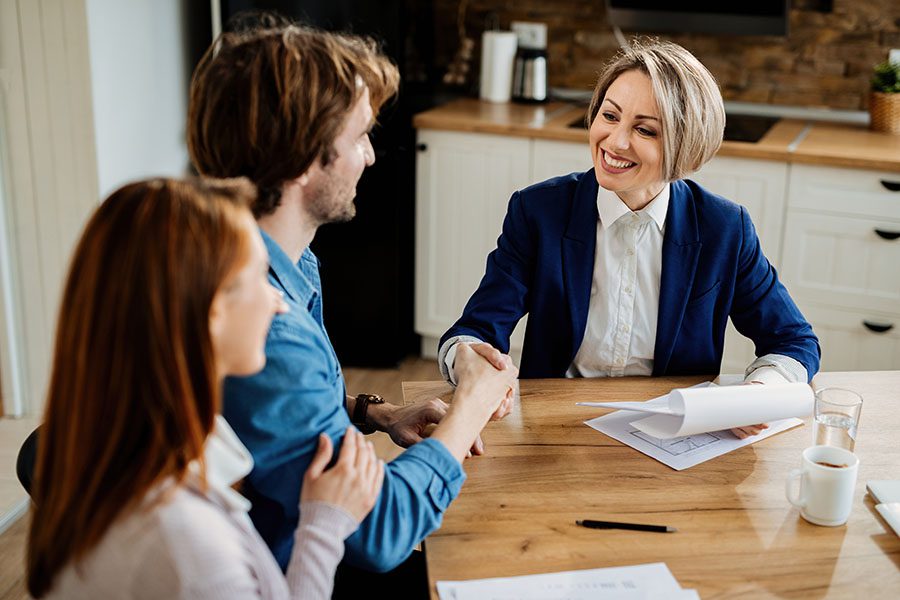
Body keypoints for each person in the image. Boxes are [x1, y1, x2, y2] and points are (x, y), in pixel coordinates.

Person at [187, 22, 518, 594]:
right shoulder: (269, 324)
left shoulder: (273, 262)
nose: (370, 156)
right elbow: (378, 534)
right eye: (360, 135)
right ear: (300, 161)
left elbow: (265, 414)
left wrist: (372, 413)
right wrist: (470, 406)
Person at [26, 177, 389, 598]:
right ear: (211, 312)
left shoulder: (112, 451)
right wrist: (323, 525)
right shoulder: (188, 542)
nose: (278, 303)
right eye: (259, 278)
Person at [439, 40, 820, 439]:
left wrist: (759, 393)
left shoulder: (725, 229)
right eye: (609, 115)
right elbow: (476, 331)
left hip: (676, 437)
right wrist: (470, 360)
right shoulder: (537, 212)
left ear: (685, 147)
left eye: (644, 129)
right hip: (553, 429)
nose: (615, 142)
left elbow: (794, 340)